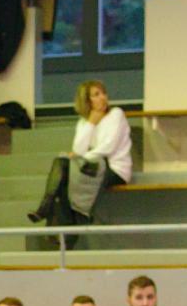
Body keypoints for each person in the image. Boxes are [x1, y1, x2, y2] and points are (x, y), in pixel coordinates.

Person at [27, 80, 131, 228]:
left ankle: (48, 212)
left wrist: (79, 159)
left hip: (115, 169)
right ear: (87, 100)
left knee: (66, 172)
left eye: (103, 93)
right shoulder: (84, 122)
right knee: (61, 164)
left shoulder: (116, 114)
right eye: (96, 94)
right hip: (92, 165)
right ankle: (49, 209)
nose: (102, 97)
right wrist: (91, 123)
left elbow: (108, 147)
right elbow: (78, 149)